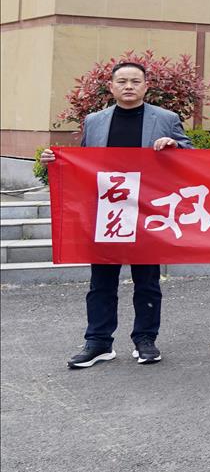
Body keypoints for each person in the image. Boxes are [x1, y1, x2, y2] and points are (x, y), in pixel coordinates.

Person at [51, 61, 192, 369]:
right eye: (122, 81)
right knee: (101, 281)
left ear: (146, 86)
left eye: (135, 81)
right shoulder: (95, 121)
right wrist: (56, 161)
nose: (129, 86)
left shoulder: (166, 119)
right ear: (111, 87)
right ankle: (98, 342)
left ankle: (145, 340)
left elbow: (191, 159)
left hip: (147, 210)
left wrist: (174, 146)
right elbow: (83, 164)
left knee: (147, 280)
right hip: (107, 211)